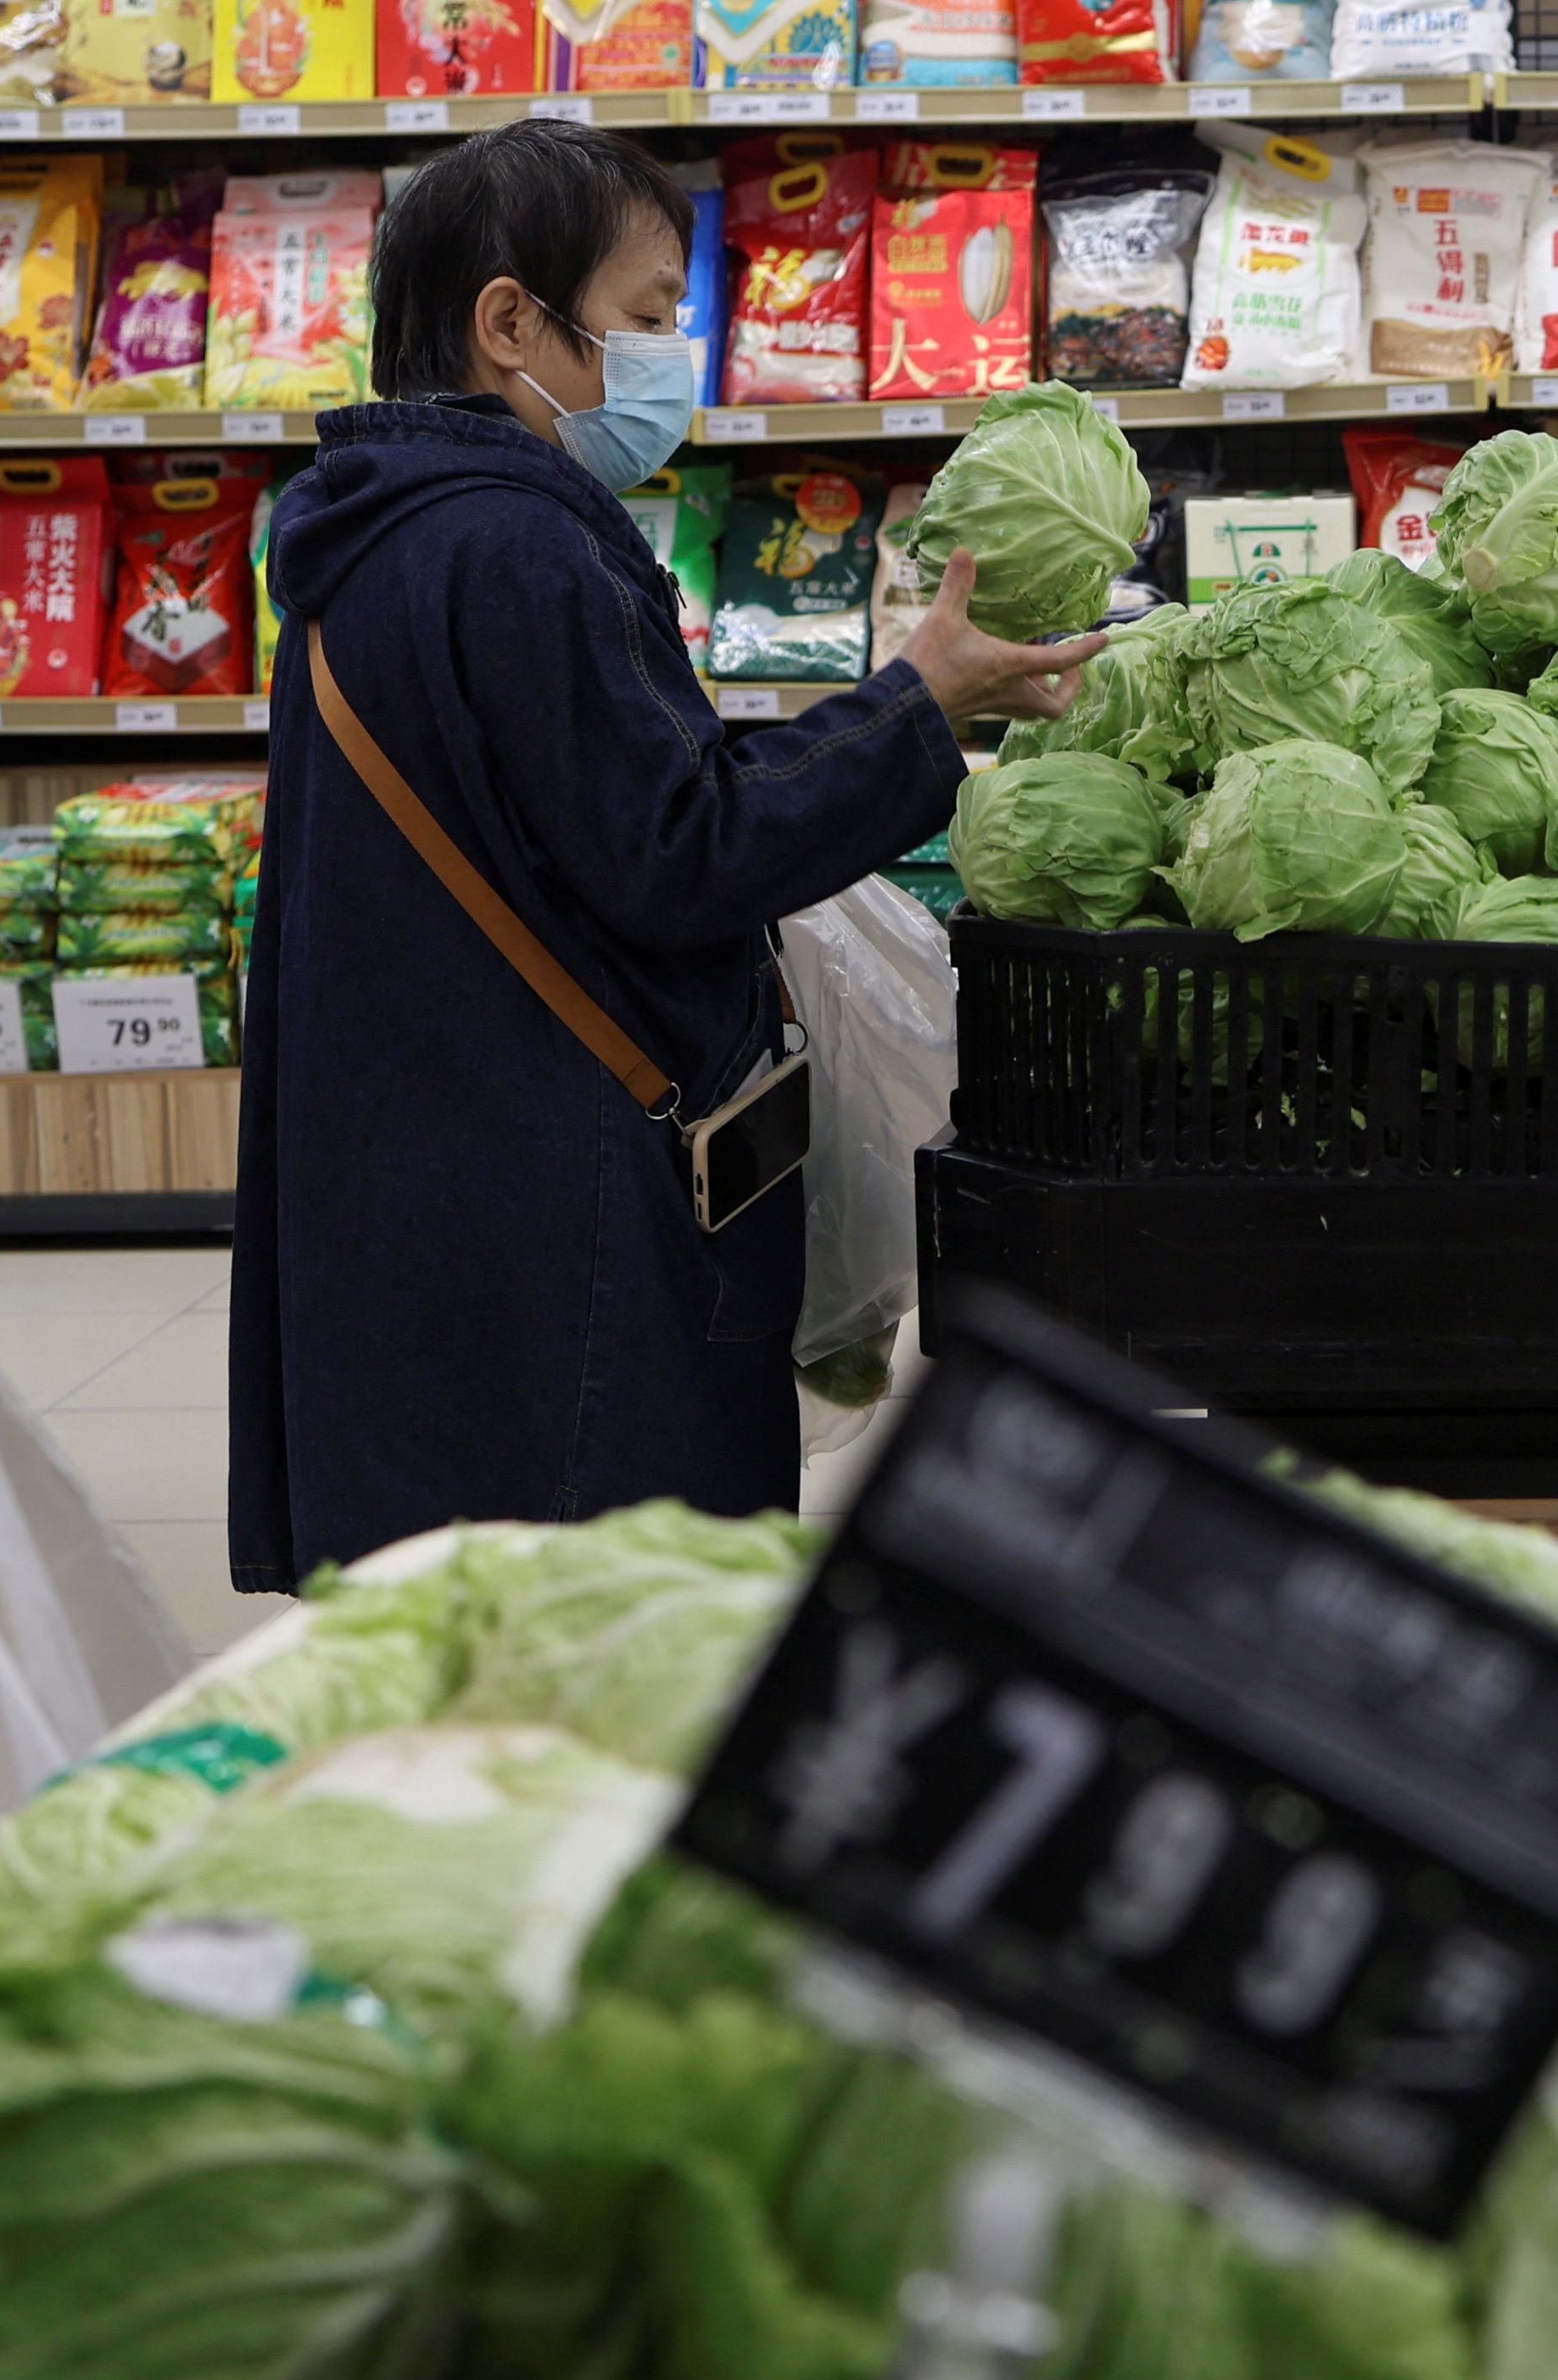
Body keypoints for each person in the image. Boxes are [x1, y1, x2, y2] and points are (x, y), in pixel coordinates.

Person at [229, 120, 1102, 1593]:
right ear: (510, 323)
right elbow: (680, 850)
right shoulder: (521, 546)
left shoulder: (371, 534)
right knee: (602, 1614)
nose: (665, 360)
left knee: (451, 1607)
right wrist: (919, 702)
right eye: (639, 319)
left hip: (422, 1176)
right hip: (555, 1199)